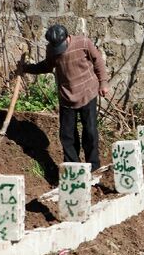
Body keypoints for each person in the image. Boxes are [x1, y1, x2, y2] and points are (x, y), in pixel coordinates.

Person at [18, 24, 110, 171]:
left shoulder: (83, 43)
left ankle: (93, 167)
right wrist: (27, 68)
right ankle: (73, 167)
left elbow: (98, 60)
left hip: (87, 92)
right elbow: (47, 66)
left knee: (90, 131)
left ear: (68, 38)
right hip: (67, 97)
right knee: (67, 135)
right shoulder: (52, 50)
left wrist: (103, 82)